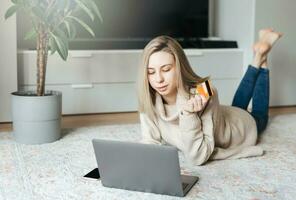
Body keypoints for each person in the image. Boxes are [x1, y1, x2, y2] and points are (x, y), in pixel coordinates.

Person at [137, 28, 283, 165]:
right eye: (151, 72)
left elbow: (197, 157)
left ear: (180, 67)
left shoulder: (204, 90)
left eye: (166, 69)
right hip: (225, 115)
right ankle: (259, 56)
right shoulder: (148, 97)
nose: (158, 79)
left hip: (240, 127)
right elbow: (150, 142)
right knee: (237, 105)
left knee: (260, 116)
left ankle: (262, 60)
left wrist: (188, 114)